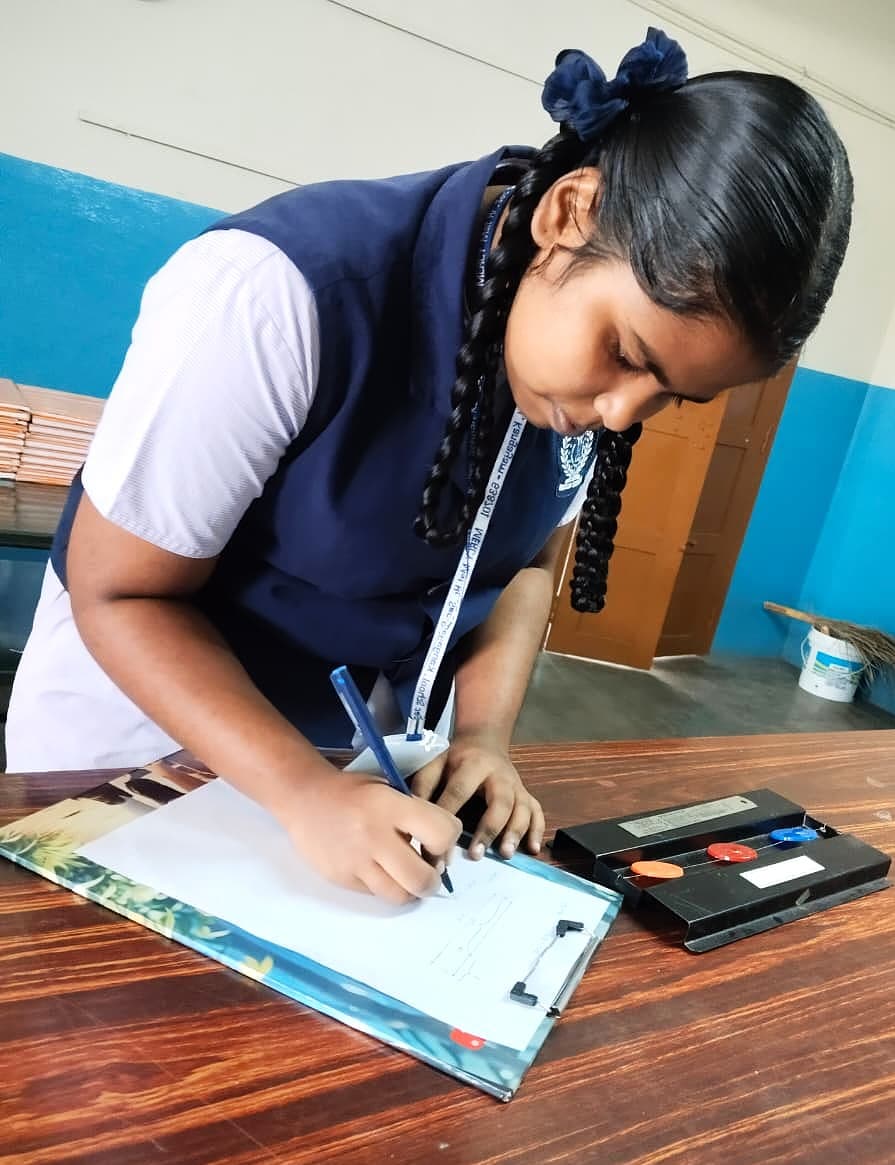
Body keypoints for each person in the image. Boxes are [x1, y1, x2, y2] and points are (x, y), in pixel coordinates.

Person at [6, 29, 853, 904]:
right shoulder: (275, 291)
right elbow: (122, 592)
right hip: (147, 748)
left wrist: (482, 737)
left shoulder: (570, 372)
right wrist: (302, 790)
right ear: (567, 213)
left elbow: (523, 567)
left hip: (344, 778)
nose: (619, 413)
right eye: (626, 354)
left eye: (670, 394)